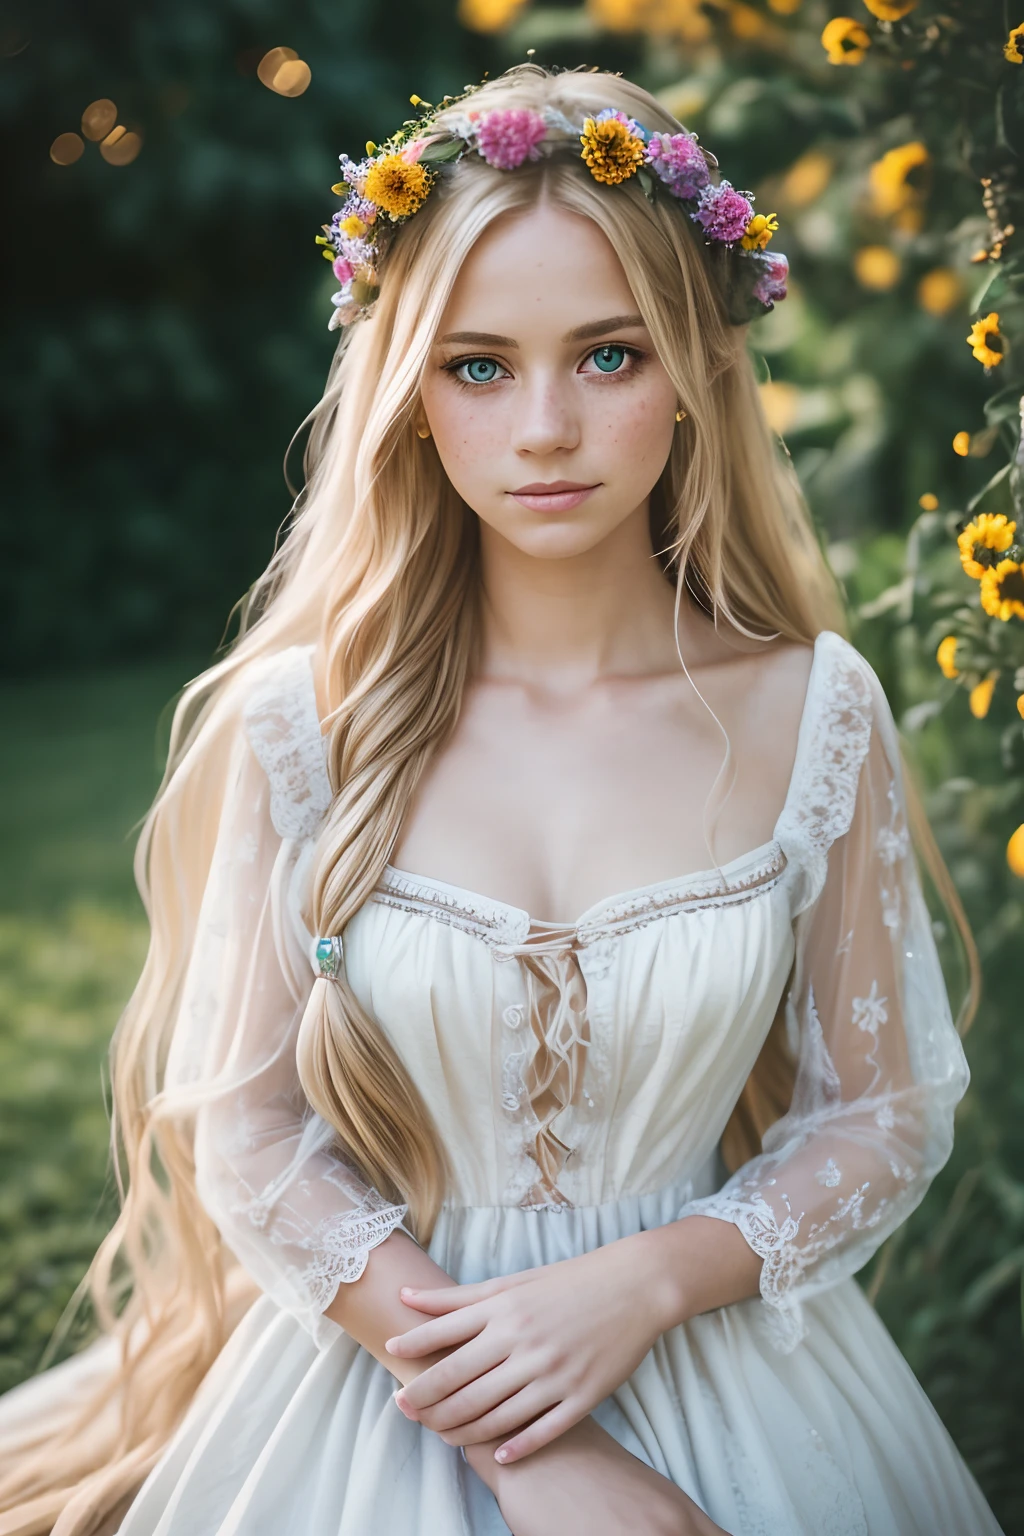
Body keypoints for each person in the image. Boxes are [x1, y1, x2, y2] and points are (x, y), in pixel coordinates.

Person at [0, 63, 1003, 1536]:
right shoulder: (309, 725)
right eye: (479, 366)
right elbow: (256, 1139)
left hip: (723, 1360)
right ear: (407, 395)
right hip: (379, 1376)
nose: (543, 427)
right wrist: (540, 1451)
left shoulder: (811, 708)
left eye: (608, 356)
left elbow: (885, 1114)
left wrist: (646, 1280)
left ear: (700, 367)